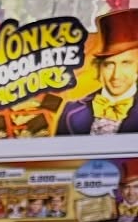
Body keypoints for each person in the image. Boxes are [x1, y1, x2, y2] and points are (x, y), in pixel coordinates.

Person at [57, 7, 138, 135]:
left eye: (126, 63)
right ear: (99, 68)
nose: (116, 75)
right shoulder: (71, 111)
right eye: (109, 65)